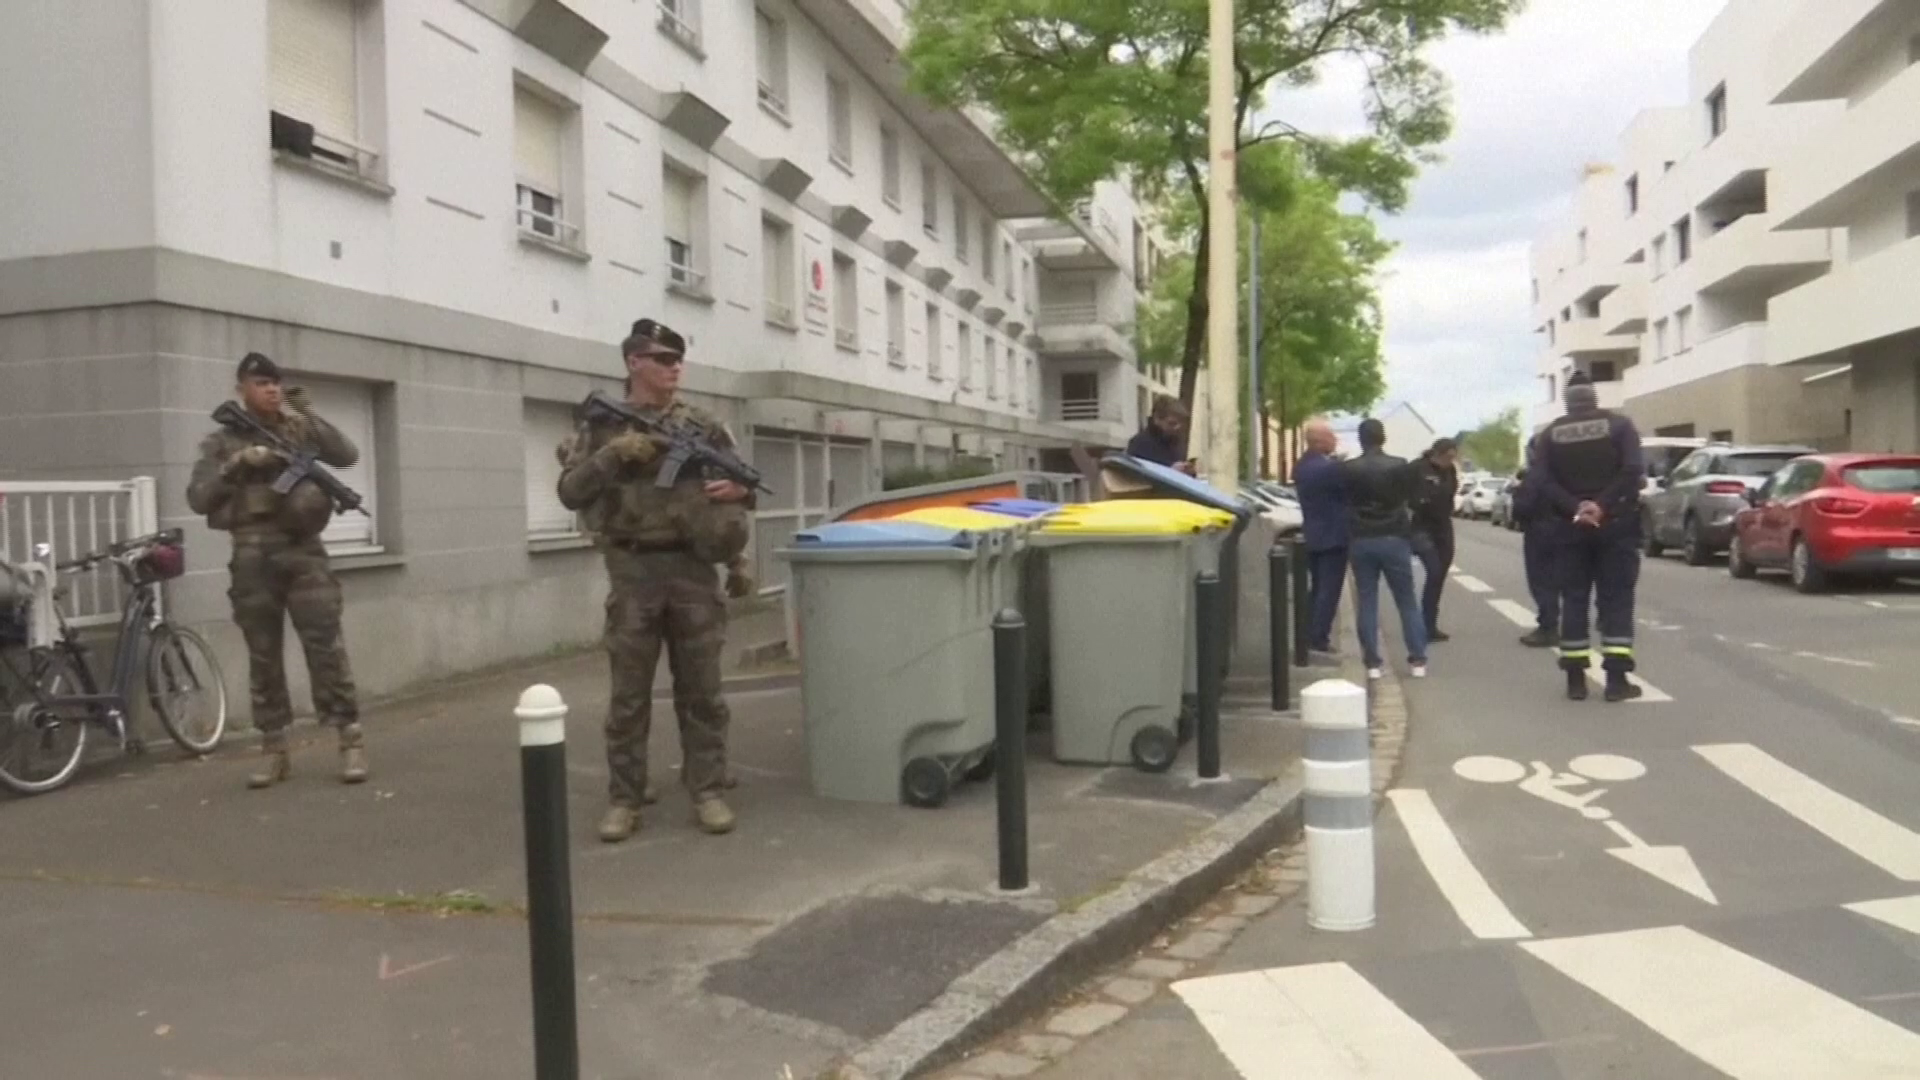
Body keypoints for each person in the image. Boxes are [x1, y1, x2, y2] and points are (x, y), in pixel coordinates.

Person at [557, 319, 754, 840]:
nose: (674, 368)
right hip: (633, 570)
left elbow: (739, 488)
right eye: (663, 358)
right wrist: (612, 454)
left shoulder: (704, 425)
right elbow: (570, 491)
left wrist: (738, 520)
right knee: (628, 696)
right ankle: (625, 798)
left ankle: (707, 789)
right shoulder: (602, 424)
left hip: (693, 569)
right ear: (633, 363)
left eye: (678, 359)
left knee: (704, 692)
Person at [185, 353, 367, 788]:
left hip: (303, 551)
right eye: (261, 382)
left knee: (325, 645)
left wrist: (307, 412)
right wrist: (239, 463)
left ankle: (350, 741)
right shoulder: (221, 441)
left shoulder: (298, 428)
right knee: (263, 654)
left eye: (275, 383)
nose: (271, 390)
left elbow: (346, 455)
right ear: (241, 390)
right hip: (251, 554)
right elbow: (198, 497)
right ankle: (274, 750)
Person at [1529, 371, 1645, 702]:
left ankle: (1576, 681)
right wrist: (1602, 505)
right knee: (1617, 601)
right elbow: (1631, 470)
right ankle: (1616, 681)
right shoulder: (1620, 426)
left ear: (1568, 401)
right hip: (1616, 526)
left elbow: (1543, 481)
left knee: (1574, 600)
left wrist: (1577, 507)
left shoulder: (1550, 435)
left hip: (1569, 528)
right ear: (1594, 396)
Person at [1337, 418, 1428, 679]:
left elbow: (1344, 500)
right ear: (1383, 438)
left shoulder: (1349, 469)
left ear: (1361, 439)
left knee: (1367, 600)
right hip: (1394, 537)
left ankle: (1373, 663)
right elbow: (1412, 499)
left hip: (1362, 538)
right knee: (1407, 600)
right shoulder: (1400, 466)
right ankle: (1417, 659)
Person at [1291, 418, 1347, 657]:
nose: (1335, 439)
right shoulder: (1328, 469)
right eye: (1331, 435)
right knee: (1328, 590)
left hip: (1313, 533)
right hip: (1333, 536)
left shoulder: (1302, 466)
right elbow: (1346, 493)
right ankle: (1318, 638)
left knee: (1316, 589)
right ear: (1320, 441)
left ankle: (1307, 634)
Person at [1410, 437, 1459, 642]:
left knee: (1439, 576)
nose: (1450, 461)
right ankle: (1423, 624)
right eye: (1448, 457)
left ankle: (1430, 624)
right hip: (1421, 527)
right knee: (1434, 569)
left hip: (1443, 526)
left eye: (1453, 458)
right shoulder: (1417, 468)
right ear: (1437, 453)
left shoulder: (1450, 471)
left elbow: (1451, 492)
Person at [1509, 465, 1560, 648]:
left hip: (1540, 532)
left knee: (1541, 581)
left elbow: (1522, 507)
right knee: (1566, 582)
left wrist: (1517, 494)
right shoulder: (1570, 471)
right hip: (1568, 532)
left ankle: (1548, 627)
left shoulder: (1535, 476)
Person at [1126, 395, 1195, 475]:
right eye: (1172, 423)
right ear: (1157, 419)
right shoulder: (1140, 443)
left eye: (1180, 424)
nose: (1177, 428)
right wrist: (1170, 470)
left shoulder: (1173, 442)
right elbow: (1137, 476)